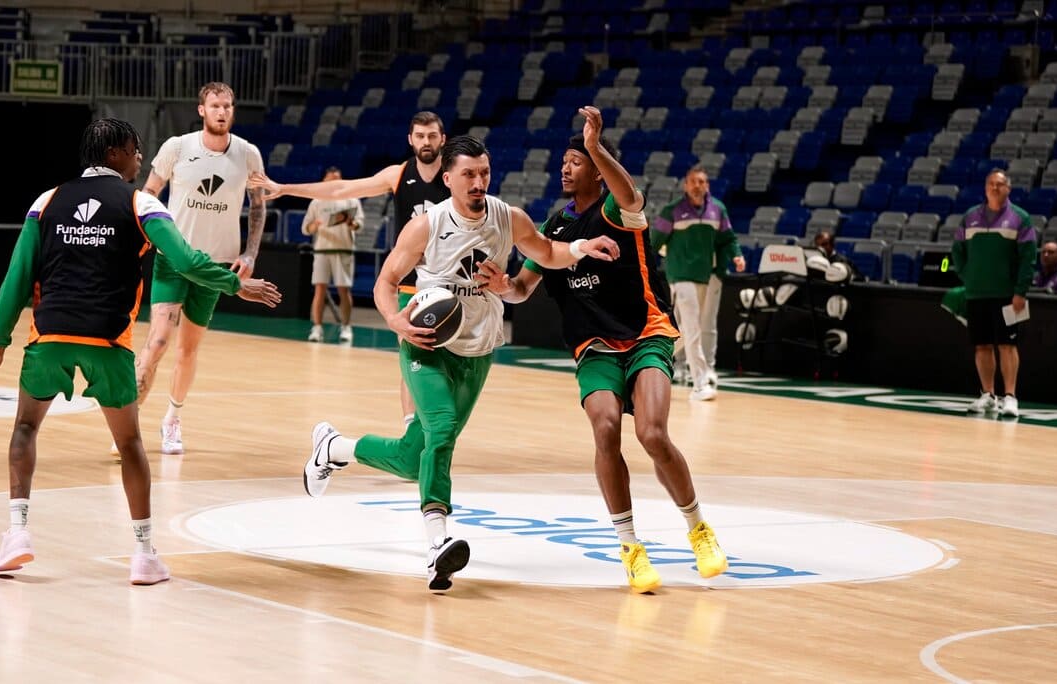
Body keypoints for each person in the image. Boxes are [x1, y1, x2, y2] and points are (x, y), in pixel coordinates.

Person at [299, 134, 620, 593]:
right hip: (427, 344)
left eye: (484, 173)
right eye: (468, 174)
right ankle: (437, 544)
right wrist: (397, 323)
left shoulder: (509, 219)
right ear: (448, 179)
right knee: (443, 430)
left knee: (415, 456)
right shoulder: (427, 226)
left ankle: (332, 448)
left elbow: (547, 254)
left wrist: (580, 249)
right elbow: (386, 283)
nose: (478, 182)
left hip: (478, 351)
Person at [0, 118, 282, 584]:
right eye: (136, 151)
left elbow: (17, 276)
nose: (141, 159)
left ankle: (16, 533)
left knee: (24, 429)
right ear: (116, 152)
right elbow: (184, 260)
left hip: (50, 336)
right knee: (131, 444)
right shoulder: (143, 203)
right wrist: (236, 283)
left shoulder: (46, 201)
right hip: (108, 341)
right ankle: (143, 554)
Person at [477, 107, 729, 594]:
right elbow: (523, 289)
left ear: (596, 166)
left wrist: (595, 146)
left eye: (576, 160)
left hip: (645, 333)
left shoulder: (617, 211)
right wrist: (500, 285)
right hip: (594, 345)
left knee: (653, 434)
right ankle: (631, 547)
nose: (565, 167)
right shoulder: (555, 226)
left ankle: (698, 527)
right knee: (606, 427)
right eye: (565, 160)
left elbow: (631, 195)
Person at [251, 111, 449, 426]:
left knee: (447, 362)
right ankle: (412, 427)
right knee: (412, 359)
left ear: (443, 139)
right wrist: (286, 188)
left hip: (448, 281)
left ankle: (439, 425)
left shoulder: (455, 175)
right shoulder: (397, 175)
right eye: (421, 136)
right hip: (411, 282)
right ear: (410, 139)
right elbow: (341, 190)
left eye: (432, 136)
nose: (426, 142)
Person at [131, 81, 268, 457]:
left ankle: (172, 419)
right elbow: (148, 195)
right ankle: (126, 426)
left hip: (215, 264)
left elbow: (258, 205)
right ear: (201, 110)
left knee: (187, 351)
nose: (222, 112)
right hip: (172, 259)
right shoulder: (177, 147)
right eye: (215, 105)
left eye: (228, 106)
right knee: (158, 340)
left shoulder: (248, 154)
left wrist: (252, 253)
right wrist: (144, 238)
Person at [651, 166, 745, 400]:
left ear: (707, 186)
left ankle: (646, 363)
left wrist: (737, 254)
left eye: (701, 182)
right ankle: (700, 384)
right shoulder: (671, 211)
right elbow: (652, 242)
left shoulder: (718, 210)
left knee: (686, 330)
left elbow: (728, 238)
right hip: (680, 275)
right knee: (693, 327)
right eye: (692, 181)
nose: (697, 186)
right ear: (685, 185)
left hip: (705, 275)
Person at [952, 169, 1037, 418]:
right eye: (990, 184)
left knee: (1008, 346)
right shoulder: (970, 217)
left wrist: (1020, 291)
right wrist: (968, 276)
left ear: (1008, 188)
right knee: (982, 346)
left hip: (1008, 296)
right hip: (976, 294)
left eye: (999, 184)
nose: (994, 188)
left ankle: (1010, 397)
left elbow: (1028, 259)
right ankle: (987, 395)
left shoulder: (1020, 218)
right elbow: (957, 251)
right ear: (985, 188)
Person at [302, 166, 364, 342]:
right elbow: (306, 228)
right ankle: (317, 328)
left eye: (337, 178)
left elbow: (359, 225)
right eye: (330, 179)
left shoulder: (352, 200)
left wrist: (350, 223)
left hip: (344, 249)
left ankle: (346, 327)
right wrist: (315, 225)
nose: (334, 182)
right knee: (319, 289)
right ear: (324, 181)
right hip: (322, 250)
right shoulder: (316, 201)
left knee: (343, 290)